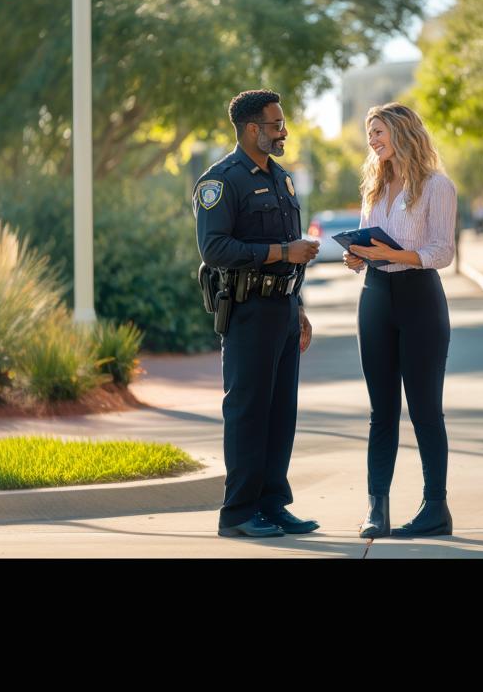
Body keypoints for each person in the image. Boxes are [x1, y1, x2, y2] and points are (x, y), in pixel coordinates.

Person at [193, 89, 322, 538]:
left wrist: (299, 307)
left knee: (280, 413)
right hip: (248, 312)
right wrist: (283, 250)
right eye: (275, 125)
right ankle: (238, 513)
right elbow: (214, 249)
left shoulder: (281, 178)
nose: (283, 131)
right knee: (248, 412)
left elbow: (293, 254)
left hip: (283, 309)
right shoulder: (221, 181)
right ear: (252, 129)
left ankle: (271, 504)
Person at [343, 102, 457, 539]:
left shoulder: (436, 186)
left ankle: (435, 508)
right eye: (369, 134)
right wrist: (357, 257)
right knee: (381, 411)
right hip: (374, 296)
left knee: (425, 409)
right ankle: (377, 508)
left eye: (378, 132)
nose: (372, 141)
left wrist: (393, 254)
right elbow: (367, 241)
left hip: (419, 299)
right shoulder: (373, 185)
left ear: (402, 131)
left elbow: (442, 252)